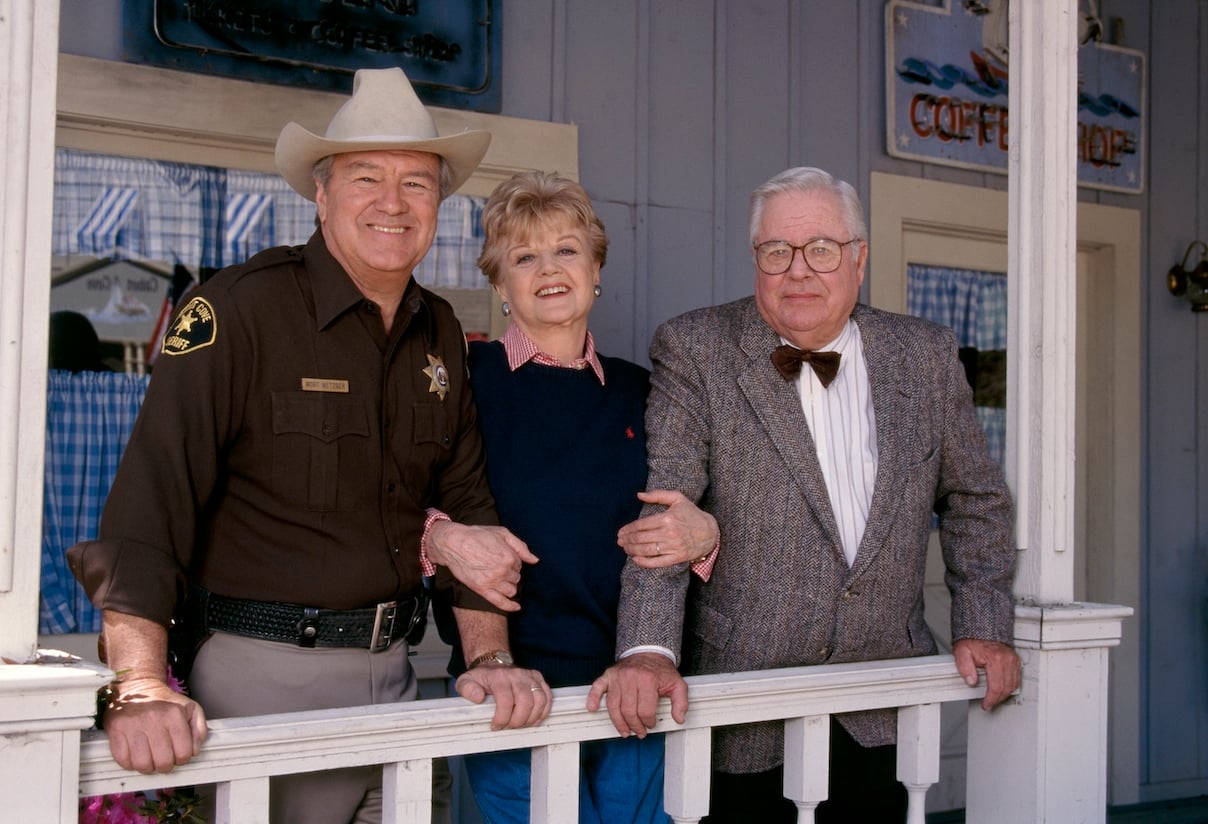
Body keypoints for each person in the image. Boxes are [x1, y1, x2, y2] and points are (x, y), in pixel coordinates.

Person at [67, 67, 537, 824]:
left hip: (398, 677)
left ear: (440, 205)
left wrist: (489, 657)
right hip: (260, 683)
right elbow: (150, 510)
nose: (393, 203)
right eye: (366, 178)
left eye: (417, 183)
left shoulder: (439, 329)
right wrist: (140, 684)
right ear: (320, 194)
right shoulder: (237, 310)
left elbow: (467, 504)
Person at [587, 166, 1021, 823]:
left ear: (859, 259)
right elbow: (665, 518)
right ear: (755, 258)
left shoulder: (926, 354)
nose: (799, 271)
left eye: (822, 248)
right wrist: (648, 651)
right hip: (744, 711)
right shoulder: (697, 347)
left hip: (884, 702)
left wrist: (984, 625)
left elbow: (975, 498)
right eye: (776, 251)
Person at [444, 171, 718, 824]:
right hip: (515, 695)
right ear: (501, 284)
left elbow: (694, 511)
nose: (548, 269)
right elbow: (427, 512)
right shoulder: (468, 382)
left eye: (566, 249)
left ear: (596, 269)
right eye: (523, 256)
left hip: (630, 688)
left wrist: (706, 534)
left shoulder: (641, 390)